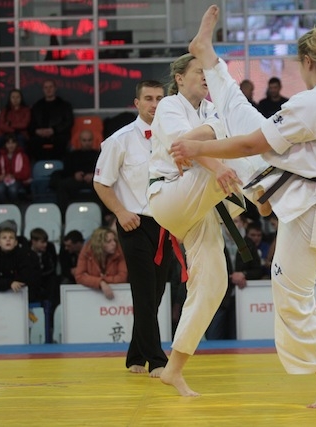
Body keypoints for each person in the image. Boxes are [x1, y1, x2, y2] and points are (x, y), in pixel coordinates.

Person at [169, 5, 316, 407]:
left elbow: (249, 145)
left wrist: (198, 148)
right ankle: (207, 56)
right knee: (242, 115)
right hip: (314, 183)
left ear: (307, 62)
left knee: (291, 291)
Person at [143, 50, 265, 398]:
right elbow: (184, 149)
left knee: (214, 284)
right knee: (233, 133)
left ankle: (174, 368)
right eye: (199, 71)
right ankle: (268, 193)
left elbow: (191, 146)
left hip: (200, 206)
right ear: (180, 78)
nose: (205, 77)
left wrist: (203, 143)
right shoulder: (169, 106)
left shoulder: (210, 109)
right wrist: (215, 159)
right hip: (169, 195)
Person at [93, 79, 174, 377]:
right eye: (149, 98)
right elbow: (101, 182)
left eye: (160, 98)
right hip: (134, 223)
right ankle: (158, 360)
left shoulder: (173, 138)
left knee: (156, 293)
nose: (155, 104)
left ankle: (135, 355)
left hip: (166, 223)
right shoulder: (120, 139)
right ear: (137, 103)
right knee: (144, 293)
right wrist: (120, 211)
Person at [0, 222, 42, 303]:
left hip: (20, 296)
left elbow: (27, 276)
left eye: (11, 238)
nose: (8, 240)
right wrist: (9, 283)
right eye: (4, 238)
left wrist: (15, 282)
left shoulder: (24, 256)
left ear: (16, 242)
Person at [74, 227, 127, 300]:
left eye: (114, 240)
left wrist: (101, 280)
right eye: (109, 241)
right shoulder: (87, 251)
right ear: (99, 244)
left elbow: (122, 277)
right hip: (91, 294)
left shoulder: (119, 251)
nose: (114, 244)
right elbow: (79, 276)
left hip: (117, 295)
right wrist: (100, 283)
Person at [55, 129, 100, 213]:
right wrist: (74, 175)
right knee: (62, 185)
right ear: (80, 141)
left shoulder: (98, 155)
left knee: (105, 186)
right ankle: (63, 214)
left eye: (89, 140)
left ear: (93, 141)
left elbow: (103, 170)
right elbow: (66, 170)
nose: (87, 143)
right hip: (76, 180)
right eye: (84, 140)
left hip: (94, 181)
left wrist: (93, 175)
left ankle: (105, 214)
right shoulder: (72, 155)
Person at [28, 79, 74, 161]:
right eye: (46, 87)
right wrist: (37, 131)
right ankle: (39, 166)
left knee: (61, 143)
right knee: (31, 143)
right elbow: (31, 123)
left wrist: (53, 130)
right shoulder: (37, 106)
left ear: (55, 88)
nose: (48, 89)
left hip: (58, 135)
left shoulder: (64, 105)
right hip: (40, 136)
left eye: (50, 87)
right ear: (43, 89)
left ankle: (58, 166)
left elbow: (68, 122)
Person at [0, 134, 31, 203]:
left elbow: (26, 173)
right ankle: (5, 207)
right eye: (8, 143)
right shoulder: (0, 157)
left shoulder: (23, 156)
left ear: (16, 144)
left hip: (18, 180)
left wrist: (13, 176)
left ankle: (15, 207)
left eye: (13, 143)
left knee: (12, 189)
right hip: (3, 180)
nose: (11, 145)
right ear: (5, 145)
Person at [0, 88, 30, 153]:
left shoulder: (26, 110)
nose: (15, 99)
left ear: (21, 98)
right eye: (13, 97)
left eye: (17, 97)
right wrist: (13, 130)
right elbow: (1, 125)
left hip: (20, 134)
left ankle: (22, 159)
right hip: (6, 134)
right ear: (10, 99)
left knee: (22, 141)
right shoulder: (5, 110)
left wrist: (10, 124)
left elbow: (24, 124)